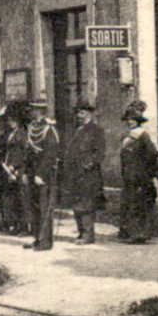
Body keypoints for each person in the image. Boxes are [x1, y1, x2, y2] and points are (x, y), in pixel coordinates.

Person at [116, 101, 158, 244]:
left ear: (139, 122)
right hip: (129, 176)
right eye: (128, 120)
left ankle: (140, 234)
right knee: (130, 202)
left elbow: (152, 154)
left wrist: (147, 173)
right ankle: (129, 232)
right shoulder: (127, 137)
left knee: (139, 204)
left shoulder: (143, 136)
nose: (130, 123)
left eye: (133, 120)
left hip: (140, 176)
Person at [64, 100, 106, 245]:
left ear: (89, 114)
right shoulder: (78, 130)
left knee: (87, 204)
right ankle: (81, 232)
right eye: (78, 113)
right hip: (76, 174)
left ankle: (88, 235)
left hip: (88, 175)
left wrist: (87, 165)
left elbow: (100, 153)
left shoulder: (96, 130)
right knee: (77, 203)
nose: (79, 116)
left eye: (82, 113)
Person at [23, 98, 61, 250]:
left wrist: (40, 174)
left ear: (40, 111)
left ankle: (45, 242)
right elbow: (29, 153)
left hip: (44, 174)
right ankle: (37, 238)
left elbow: (50, 155)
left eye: (33, 109)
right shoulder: (33, 127)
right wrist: (26, 172)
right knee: (34, 207)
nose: (31, 111)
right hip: (33, 172)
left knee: (44, 207)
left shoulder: (49, 129)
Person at [0, 101, 32, 235]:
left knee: (22, 198)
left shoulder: (22, 135)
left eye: (13, 120)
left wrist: (15, 167)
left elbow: (23, 154)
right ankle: (14, 224)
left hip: (18, 169)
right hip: (8, 169)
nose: (10, 122)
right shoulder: (8, 134)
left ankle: (24, 226)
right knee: (11, 198)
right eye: (8, 120)